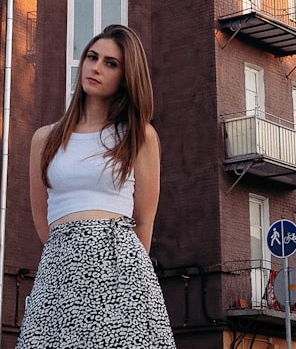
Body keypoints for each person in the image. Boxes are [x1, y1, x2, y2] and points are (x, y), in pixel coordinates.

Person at [16, 24, 176, 348]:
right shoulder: (45, 139)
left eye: (110, 63)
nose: (96, 67)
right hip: (59, 269)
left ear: (126, 76)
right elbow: (41, 216)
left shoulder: (139, 136)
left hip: (120, 267)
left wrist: (124, 278)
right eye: (92, 57)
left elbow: (144, 222)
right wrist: (72, 254)